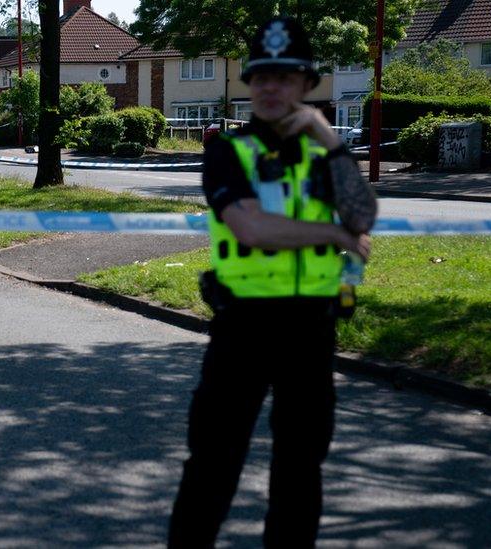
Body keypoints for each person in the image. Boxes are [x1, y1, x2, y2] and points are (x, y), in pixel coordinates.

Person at [167, 16, 378, 548]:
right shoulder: (228, 152)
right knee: (213, 466)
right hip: (243, 330)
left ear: (307, 85)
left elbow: (364, 215)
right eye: (260, 76)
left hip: (312, 332)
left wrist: (331, 141)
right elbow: (251, 226)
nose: (269, 87)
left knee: (300, 473)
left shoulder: (323, 156)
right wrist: (331, 231)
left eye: (284, 77)